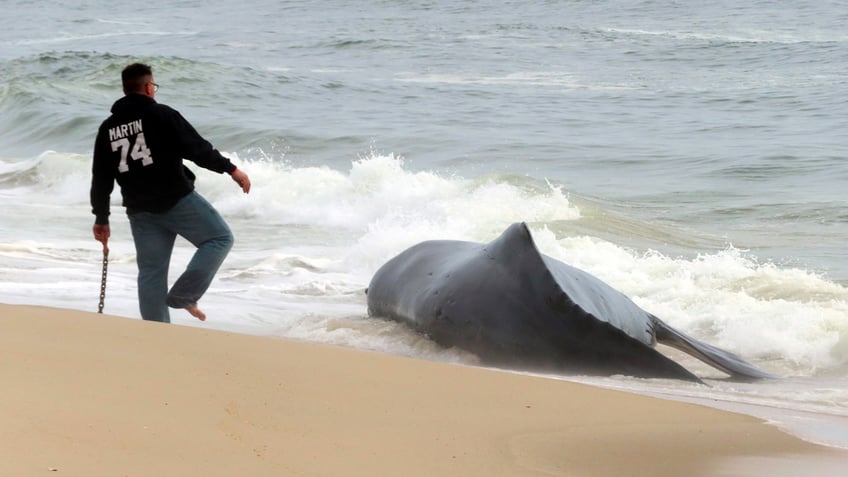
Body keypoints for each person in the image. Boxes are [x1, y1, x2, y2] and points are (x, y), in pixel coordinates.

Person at [90, 63, 251, 323]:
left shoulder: (107, 129)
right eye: (153, 85)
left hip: (139, 210)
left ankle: (157, 333)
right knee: (220, 239)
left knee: (151, 273)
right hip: (177, 201)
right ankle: (185, 295)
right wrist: (231, 169)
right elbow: (197, 149)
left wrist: (101, 217)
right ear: (148, 87)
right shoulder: (162, 115)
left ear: (124, 90)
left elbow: (101, 178)